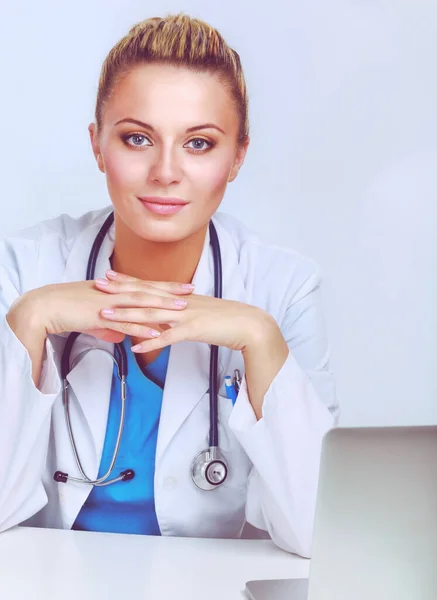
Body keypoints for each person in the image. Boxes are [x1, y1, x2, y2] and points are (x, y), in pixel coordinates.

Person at [0, 13, 338, 557]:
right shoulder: (22, 269)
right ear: (97, 145)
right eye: (137, 138)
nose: (165, 171)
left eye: (199, 144)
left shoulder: (282, 286)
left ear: (238, 157)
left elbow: (322, 534)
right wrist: (28, 321)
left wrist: (259, 336)